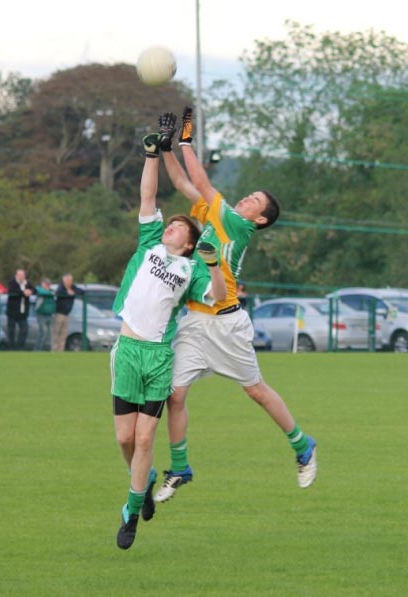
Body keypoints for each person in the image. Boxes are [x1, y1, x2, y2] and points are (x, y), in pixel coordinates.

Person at [154, 109, 317, 504]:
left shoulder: (239, 225)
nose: (247, 199)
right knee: (174, 396)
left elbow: (203, 180)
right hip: (195, 321)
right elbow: (182, 181)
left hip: (226, 326)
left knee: (257, 392)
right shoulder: (215, 215)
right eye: (249, 195)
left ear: (259, 220)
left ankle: (303, 444)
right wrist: (165, 150)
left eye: (254, 201)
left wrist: (187, 141)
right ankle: (180, 469)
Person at [111, 132, 226, 550]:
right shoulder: (149, 245)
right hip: (127, 351)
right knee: (126, 440)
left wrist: (212, 264)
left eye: (178, 226)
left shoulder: (191, 269)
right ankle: (143, 480)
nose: (171, 225)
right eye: (171, 223)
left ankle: (130, 513)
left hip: (158, 357)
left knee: (144, 439)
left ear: (189, 243)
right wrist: (151, 154)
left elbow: (217, 294)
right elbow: (147, 195)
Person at [6, 269, 35, 350]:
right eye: (20, 275)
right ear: (16, 276)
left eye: (23, 275)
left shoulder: (27, 283)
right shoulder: (12, 283)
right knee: (11, 331)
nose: (21, 277)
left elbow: (34, 290)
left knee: (24, 330)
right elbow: (12, 290)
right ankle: (11, 348)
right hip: (12, 312)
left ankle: (20, 348)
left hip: (23, 313)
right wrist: (23, 293)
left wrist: (30, 291)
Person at [52, 274, 82, 352]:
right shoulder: (61, 287)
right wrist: (67, 293)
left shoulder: (73, 287)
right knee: (56, 332)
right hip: (59, 314)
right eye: (68, 280)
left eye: (71, 280)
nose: (69, 282)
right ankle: (54, 350)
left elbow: (81, 291)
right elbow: (59, 292)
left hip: (67, 314)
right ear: (64, 280)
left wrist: (73, 292)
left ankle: (60, 350)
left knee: (64, 334)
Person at [35, 277, 55, 350]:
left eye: (49, 284)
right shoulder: (39, 289)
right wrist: (51, 293)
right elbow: (42, 292)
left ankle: (45, 349)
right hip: (41, 314)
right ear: (42, 284)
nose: (48, 286)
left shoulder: (51, 291)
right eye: (46, 284)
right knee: (43, 332)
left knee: (49, 334)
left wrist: (51, 292)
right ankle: (37, 349)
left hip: (50, 314)